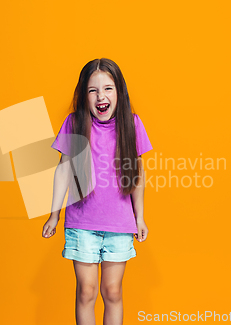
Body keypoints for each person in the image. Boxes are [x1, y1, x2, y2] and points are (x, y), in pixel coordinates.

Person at [42, 58, 153, 325]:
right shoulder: (74, 123)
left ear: (119, 92)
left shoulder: (132, 124)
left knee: (112, 291)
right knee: (87, 291)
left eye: (108, 89)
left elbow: (136, 176)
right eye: (93, 90)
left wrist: (139, 218)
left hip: (119, 223)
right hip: (82, 223)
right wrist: (54, 215)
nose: (100, 96)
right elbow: (63, 171)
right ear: (84, 95)